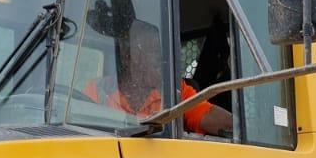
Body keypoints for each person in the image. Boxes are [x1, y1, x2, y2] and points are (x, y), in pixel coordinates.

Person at [82, 19, 233, 136]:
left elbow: (207, 114)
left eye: (160, 53)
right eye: (153, 52)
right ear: (127, 57)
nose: (161, 60)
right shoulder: (97, 90)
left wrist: (245, 128)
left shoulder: (175, 90)